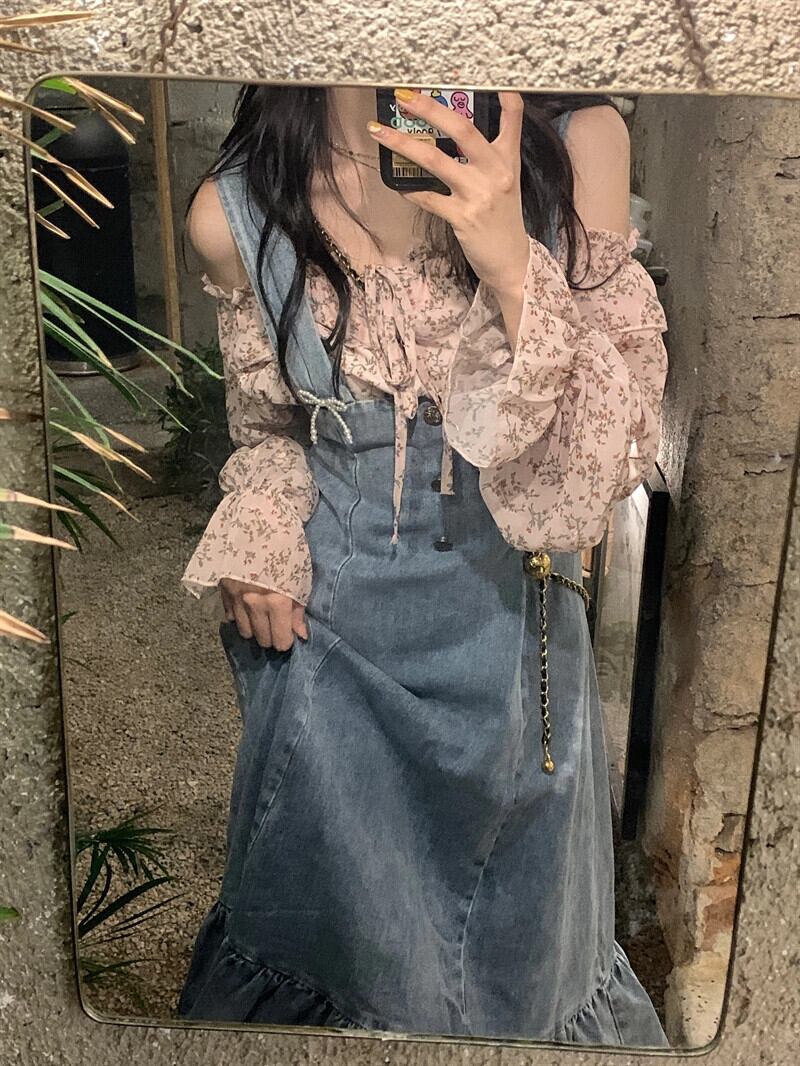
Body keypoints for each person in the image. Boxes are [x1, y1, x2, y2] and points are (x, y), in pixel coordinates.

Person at [174, 84, 670, 1047]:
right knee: (335, 964)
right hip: (336, 655)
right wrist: (261, 535)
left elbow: (611, 460)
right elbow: (271, 429)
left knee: (527, 972)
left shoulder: (576, 144)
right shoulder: (237, 207)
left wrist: (511, 264)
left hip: (515, 654)